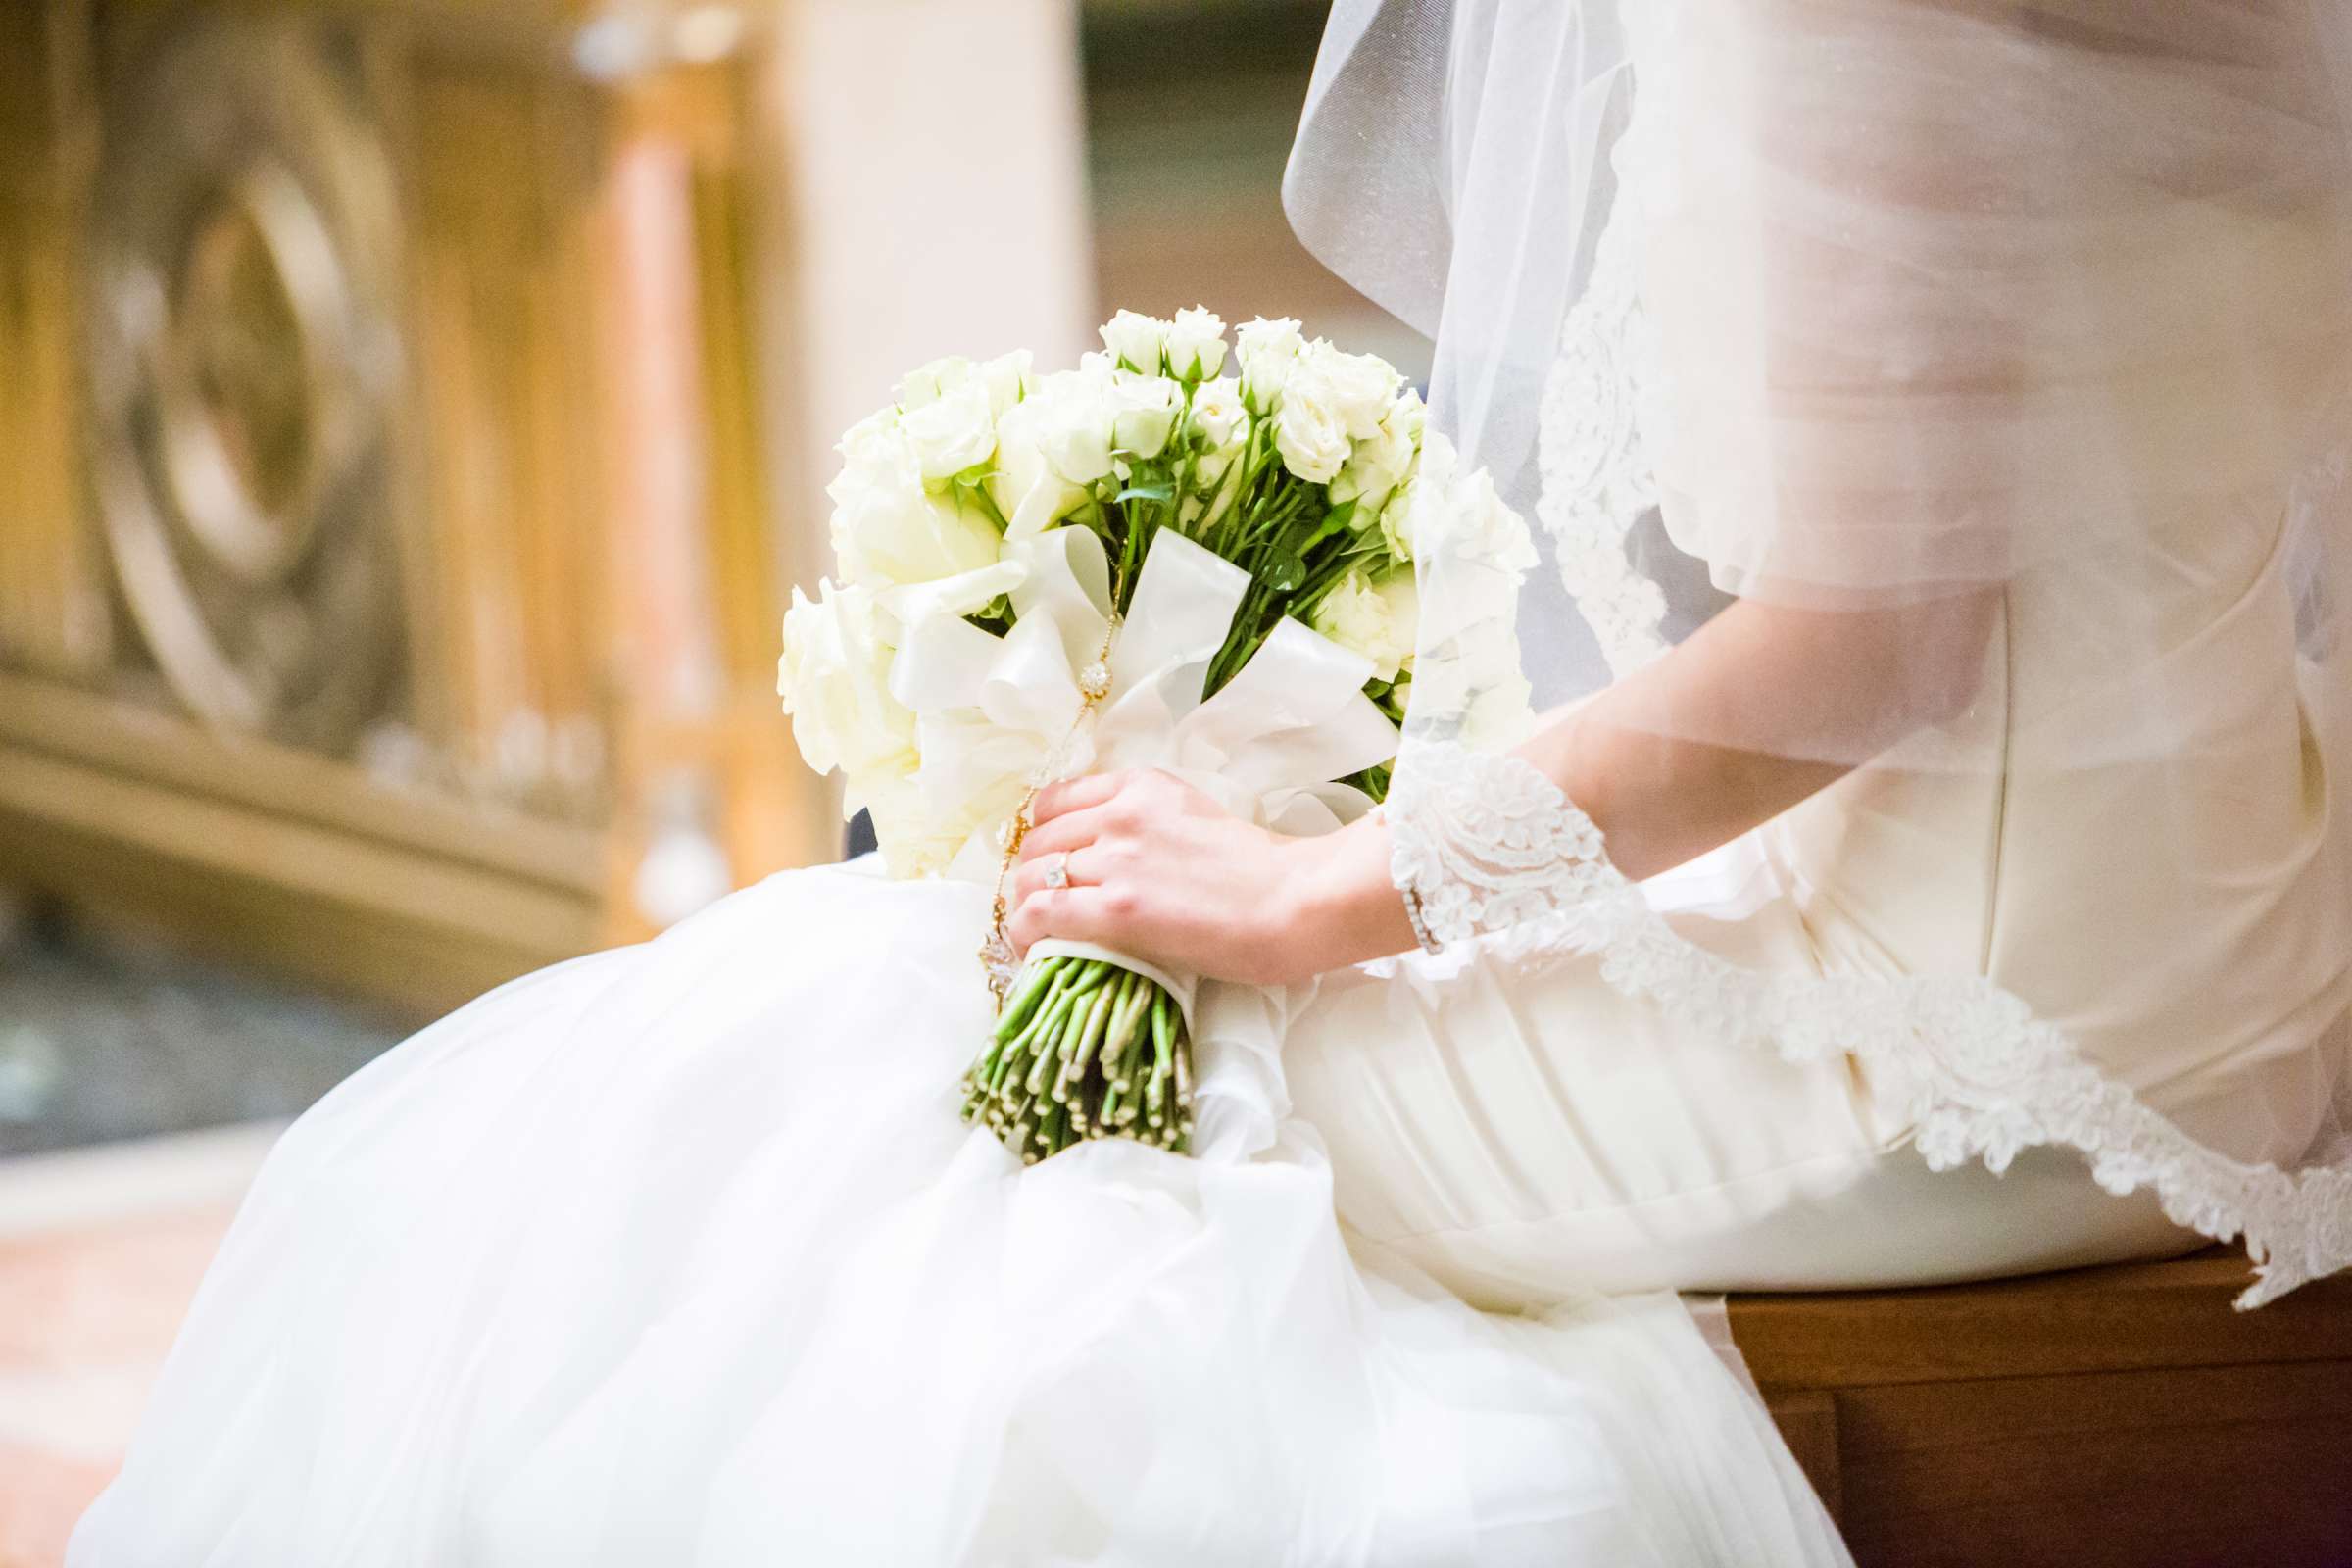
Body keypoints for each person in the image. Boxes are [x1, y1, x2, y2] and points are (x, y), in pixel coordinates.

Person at [73, 1, 2352, 1562]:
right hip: (2230, 931)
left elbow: (1878, 646)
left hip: (1961, 1042)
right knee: (969, 982)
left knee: (989, 1084)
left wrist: (1312, 889)